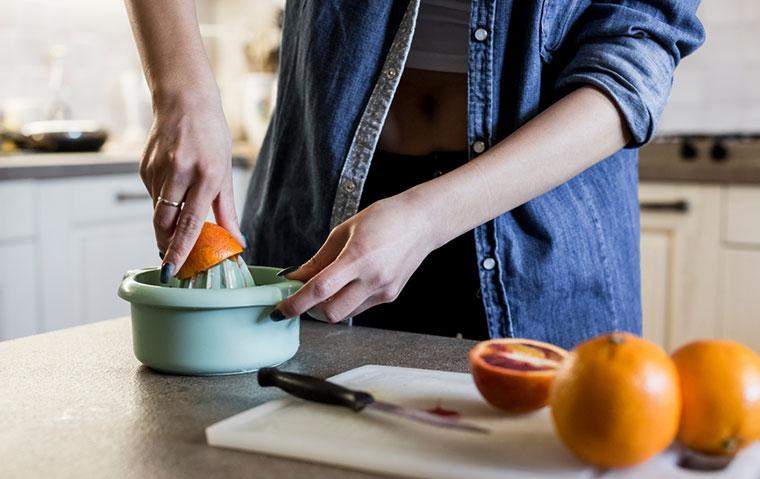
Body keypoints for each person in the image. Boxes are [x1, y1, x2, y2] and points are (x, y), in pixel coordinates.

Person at [125, 0, 703, 348]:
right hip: (322, 210)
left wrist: (430, 217)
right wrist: (182, 93)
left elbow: (636, 57)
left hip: (537, 231)